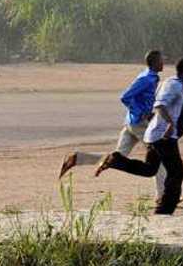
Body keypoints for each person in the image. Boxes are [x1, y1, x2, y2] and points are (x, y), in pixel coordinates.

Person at [59, 49, 167, 201]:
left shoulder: (150, 77)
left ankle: (77, 158)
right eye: (162, 60)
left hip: (131, 123)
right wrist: (141, 113)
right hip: (139, 124)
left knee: (117, 158)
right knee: (159, 156)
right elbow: (125, 96)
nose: (164, 62)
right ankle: (163, 195)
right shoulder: (146, 79)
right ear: (155, 62)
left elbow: (143, 98)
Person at [96, 57, 183, 215]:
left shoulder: (175, 83)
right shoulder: (173, 85)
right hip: (163, 135)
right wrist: (168, 123)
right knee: (176, 171)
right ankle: (164, 209)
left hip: (156, 133)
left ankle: (116, 160)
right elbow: (159, 105)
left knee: (150, 169)